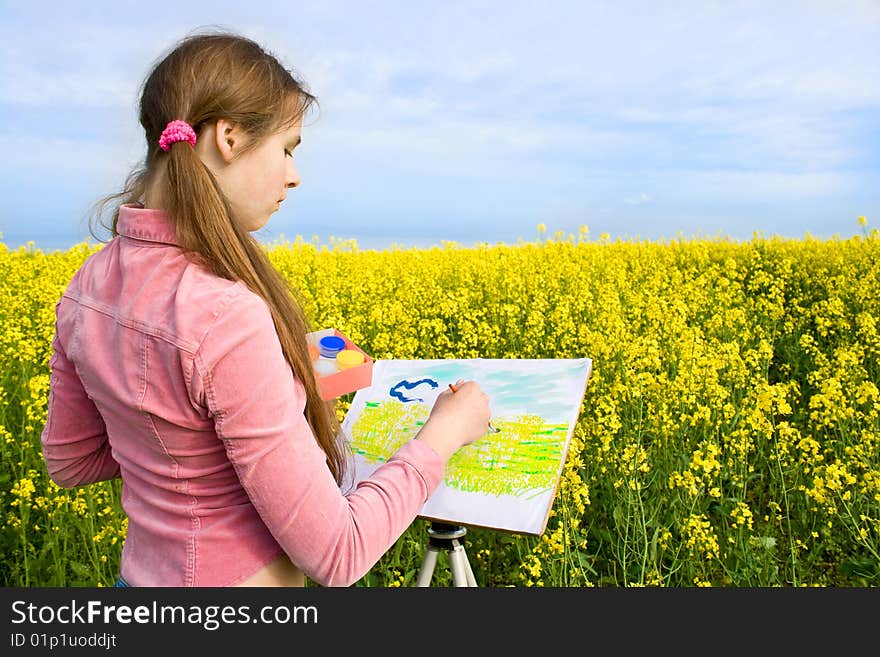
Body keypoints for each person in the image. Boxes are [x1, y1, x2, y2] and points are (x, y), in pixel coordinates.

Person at [39, 29, 491, 588]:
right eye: (288, 148)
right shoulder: (225, 314)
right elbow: (338, 555)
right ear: (227, 137)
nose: (294, 174)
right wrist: (444, 434)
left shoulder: (87, 285)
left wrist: (260, 385)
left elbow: (72, 460)